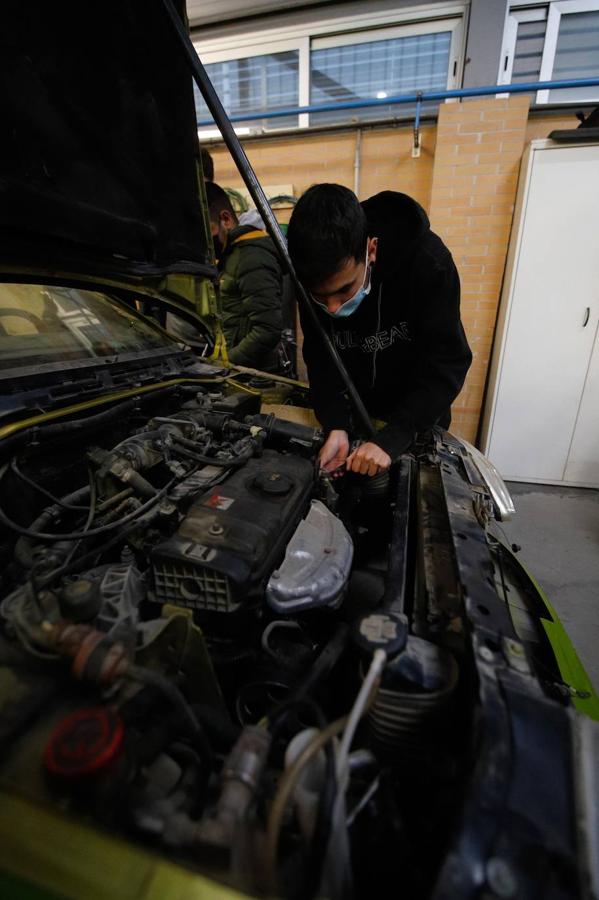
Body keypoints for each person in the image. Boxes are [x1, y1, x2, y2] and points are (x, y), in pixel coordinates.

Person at [287, 184, 472, 477]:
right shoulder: (306, 273)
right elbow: (320, 356)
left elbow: (448, 361)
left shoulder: (427, 262)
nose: (332, 308)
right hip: (357, 413)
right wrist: (335, 424)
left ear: (370, 249)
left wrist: (396, 436)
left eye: (344, 289)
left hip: (416, 419)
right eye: (320, 298)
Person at [206, 181, 283, 371]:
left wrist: (225, 364)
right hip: (241, 369)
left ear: (226, 220)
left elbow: (267, 330)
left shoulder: (251, 256)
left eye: (208, 231)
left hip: (256, 374)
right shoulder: (230, 254)